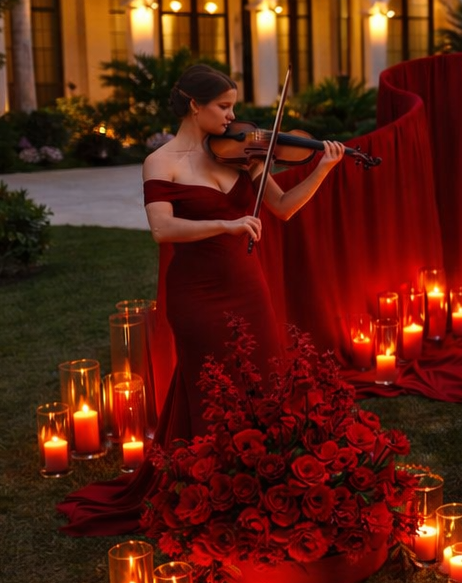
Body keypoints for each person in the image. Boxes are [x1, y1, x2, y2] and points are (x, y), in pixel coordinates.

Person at [58, 64, 345, 535]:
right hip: (196, 294)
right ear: (195, 105)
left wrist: (324, 168)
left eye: (233, 107)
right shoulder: (162, 161)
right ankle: (207, 489)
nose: (234, 116)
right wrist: (227, 225)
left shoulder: (245, 154)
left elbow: (284, 209)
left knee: (264, 380)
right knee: (211, 389)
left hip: (247, 286)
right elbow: (161, 229)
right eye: (224, 107)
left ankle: (263, 485)